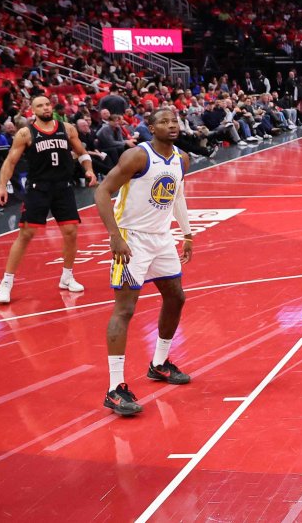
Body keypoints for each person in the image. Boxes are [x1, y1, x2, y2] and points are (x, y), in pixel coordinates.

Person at [93, 109, 195, 417]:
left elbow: (177, 195)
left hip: (161, 238)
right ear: (150, 127)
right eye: (164, 122)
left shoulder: (182, 159)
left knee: (176, 297)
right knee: (125, 309)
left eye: (174, 121)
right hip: (131, 238)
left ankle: (159, 363)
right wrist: (114, 235)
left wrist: (187, 234)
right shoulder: (137, 157)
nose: (171, 126)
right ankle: (114, 389)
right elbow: (102, 191)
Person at [0, 96, 98, 304]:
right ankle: (6, 283)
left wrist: (89, 170)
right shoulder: (25, 133)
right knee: (26, 234)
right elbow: (10, 161)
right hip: (38, 188)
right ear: (33, 110)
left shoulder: (67, 128)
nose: (45, 108)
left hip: (63, 187)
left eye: (47, 104)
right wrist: (2, 186)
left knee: (70, 232)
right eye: (40, 105)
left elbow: (82, 152)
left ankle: (67, 277)